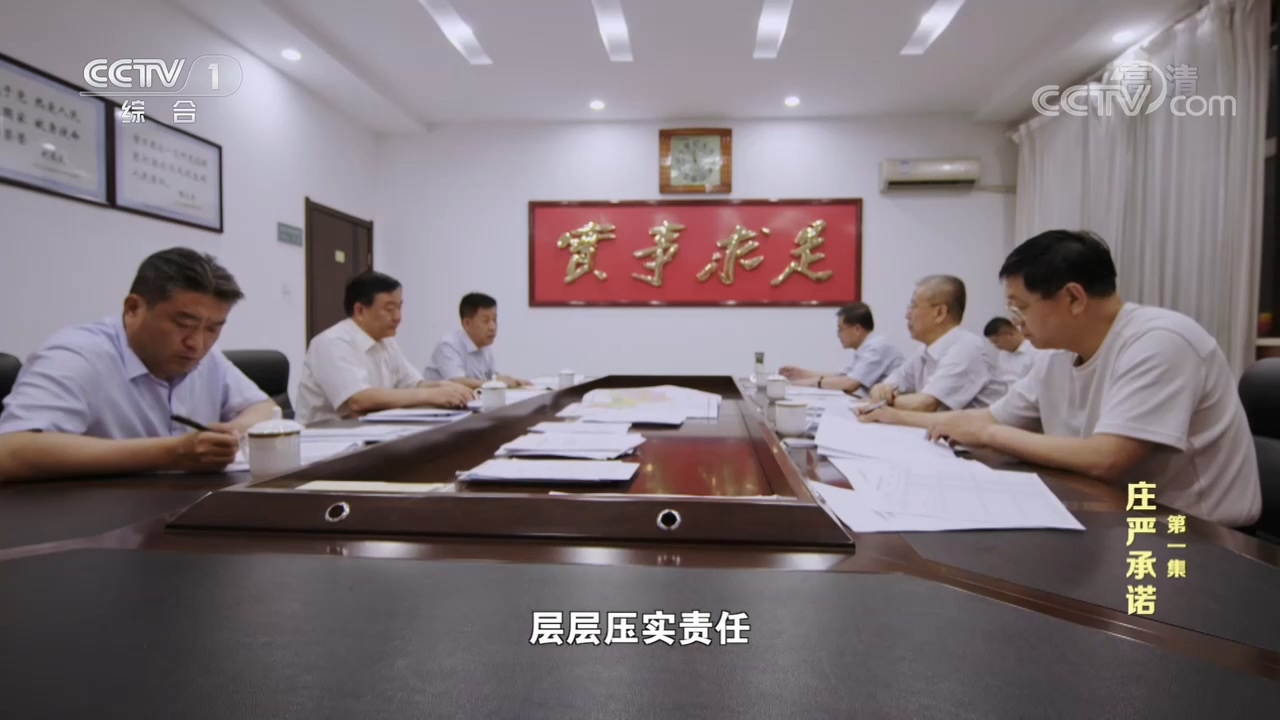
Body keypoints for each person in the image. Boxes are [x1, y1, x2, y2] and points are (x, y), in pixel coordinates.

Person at [867, 230, 1261, 527]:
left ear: (1073, 298)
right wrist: (895, 417)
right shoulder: (1055, 355)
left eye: (1021, 307)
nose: (1017, 321)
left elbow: (1107, 458)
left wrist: (989, 435)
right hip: (1112, 515)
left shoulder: (1161, 341)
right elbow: (990, 417)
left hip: (1196, 534)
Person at [0, 248, 278, 481]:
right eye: (184, 324)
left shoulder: (206, 358)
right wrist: (172, 453)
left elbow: (263, 406)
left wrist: (234, 431)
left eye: (213, 328)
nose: (196, 343)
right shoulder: (76, 355)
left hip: (182, 506)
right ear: (133, 308)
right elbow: (10, 452)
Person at [295, 271, 473, 425]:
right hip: (326, 440)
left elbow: (412, 383)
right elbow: (359, 400)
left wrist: (444, 386)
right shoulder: (333, 342)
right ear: (360, 311)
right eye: (389, 309)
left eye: (399, 307)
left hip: (369, 433)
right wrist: (433, 395)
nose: (398, 317)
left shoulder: (386, 342)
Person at [864, 275, 1005, 412]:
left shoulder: (966, 348)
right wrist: (880, 389)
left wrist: (884, 400)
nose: (907, 315)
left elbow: (924, 404)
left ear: (940, 313)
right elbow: (887, 385)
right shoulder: (923, 352)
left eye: (913, 306)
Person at [780, 302, 904, 396]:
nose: (838, 335)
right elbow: (841, 376)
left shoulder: (876, 348)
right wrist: (802, 373)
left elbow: (850, 384)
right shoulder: (867, 347)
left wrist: (807, 383)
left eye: (841, 329)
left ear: (857, 329)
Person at [424, 292, 529, 389]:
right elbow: (458, 382)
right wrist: (497, 383)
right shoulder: (448, 345)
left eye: (494, 320)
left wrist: (512, 381)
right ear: (467, 323)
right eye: (486, 321)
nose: (492, 327)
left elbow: (491, 377)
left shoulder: (485, 347)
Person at [983, 316, 1046, 385]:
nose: (995, 346)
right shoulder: (1003, 353)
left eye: (996, 342)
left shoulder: (1035, 350)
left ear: (1010, 334)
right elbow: (1000, 377)